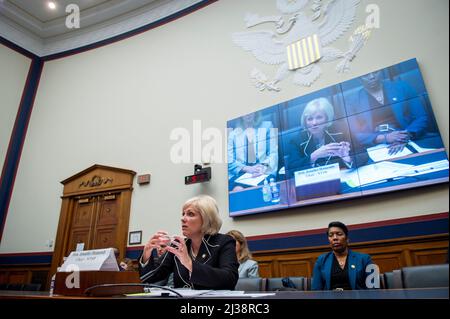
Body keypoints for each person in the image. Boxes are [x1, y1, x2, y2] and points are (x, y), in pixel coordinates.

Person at [139, 195, 239, 290]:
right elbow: (151, 278)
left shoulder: (224, 242)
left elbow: (229, 279)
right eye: (183, 214)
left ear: (206, 219)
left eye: (190, 214)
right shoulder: (178, 245)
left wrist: (190, 264)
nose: (182, 219)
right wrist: (146, 253)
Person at [348, 70, 429, 155]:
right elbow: (354, 134)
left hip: (409, 137)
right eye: (366, 75)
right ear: (359, 79)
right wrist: (385, 138)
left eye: (375, 72)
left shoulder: (403, 87)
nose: (372, 77)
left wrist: (405, 136)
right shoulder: (352, 101)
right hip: (376, 144)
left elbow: (421, 117)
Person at [287, 97, 353, 174]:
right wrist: (314, 156)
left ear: (327, 119)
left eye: (319, 117)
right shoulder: (296, 140)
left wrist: (346, 157)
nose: (314, 123)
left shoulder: (341, 130)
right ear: (305, 122)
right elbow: (291, 170)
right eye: (310, 119)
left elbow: (364, 156)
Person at [312, 221, 374, 290]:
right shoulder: (321, 260)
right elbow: (316, 289)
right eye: (331, 235)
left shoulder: (365, 259)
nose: (335, 238)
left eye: (339, 234)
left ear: (347, 239)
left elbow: (374, 287)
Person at [228, 112, 278, 191]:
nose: (248, 114)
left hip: (263, 170)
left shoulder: (267, 126)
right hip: (242, 173)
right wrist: (247, 168)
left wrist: (262, 168)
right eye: (244, 112)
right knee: (238, 189)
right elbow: (230, 161)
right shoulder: (232, 135)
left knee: (259, 189)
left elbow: (273, 153)